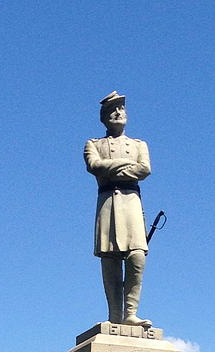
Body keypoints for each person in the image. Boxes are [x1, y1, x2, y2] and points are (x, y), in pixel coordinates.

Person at [84, 92, 152, 326]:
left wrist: (111, 168)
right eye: (112, 110)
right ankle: (115, 316)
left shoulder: (138, 145)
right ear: (104, 117)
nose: (118, 113)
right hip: (108, 203)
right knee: (111, 260)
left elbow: (144, 170)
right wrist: (124, 166)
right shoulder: (94, 144)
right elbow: (95, 166)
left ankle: (130, 314)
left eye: (121, 108)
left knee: (136, 257)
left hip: (131, 201)